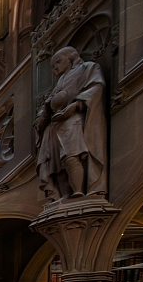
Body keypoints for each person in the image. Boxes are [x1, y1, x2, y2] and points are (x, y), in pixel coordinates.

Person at [34, 46, 107, 201]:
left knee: (71, 156)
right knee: (56, 166)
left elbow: (96, 87)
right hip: (54, 125)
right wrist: (45, 112)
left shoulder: (88, 68)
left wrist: (75, 105)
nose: (55, 67)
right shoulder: (59, 83)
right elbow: (46, 106)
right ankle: (65, 194)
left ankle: (78, 191)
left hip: (72, 120)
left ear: (71, 58)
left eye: (58, 62)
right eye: (53, 66)